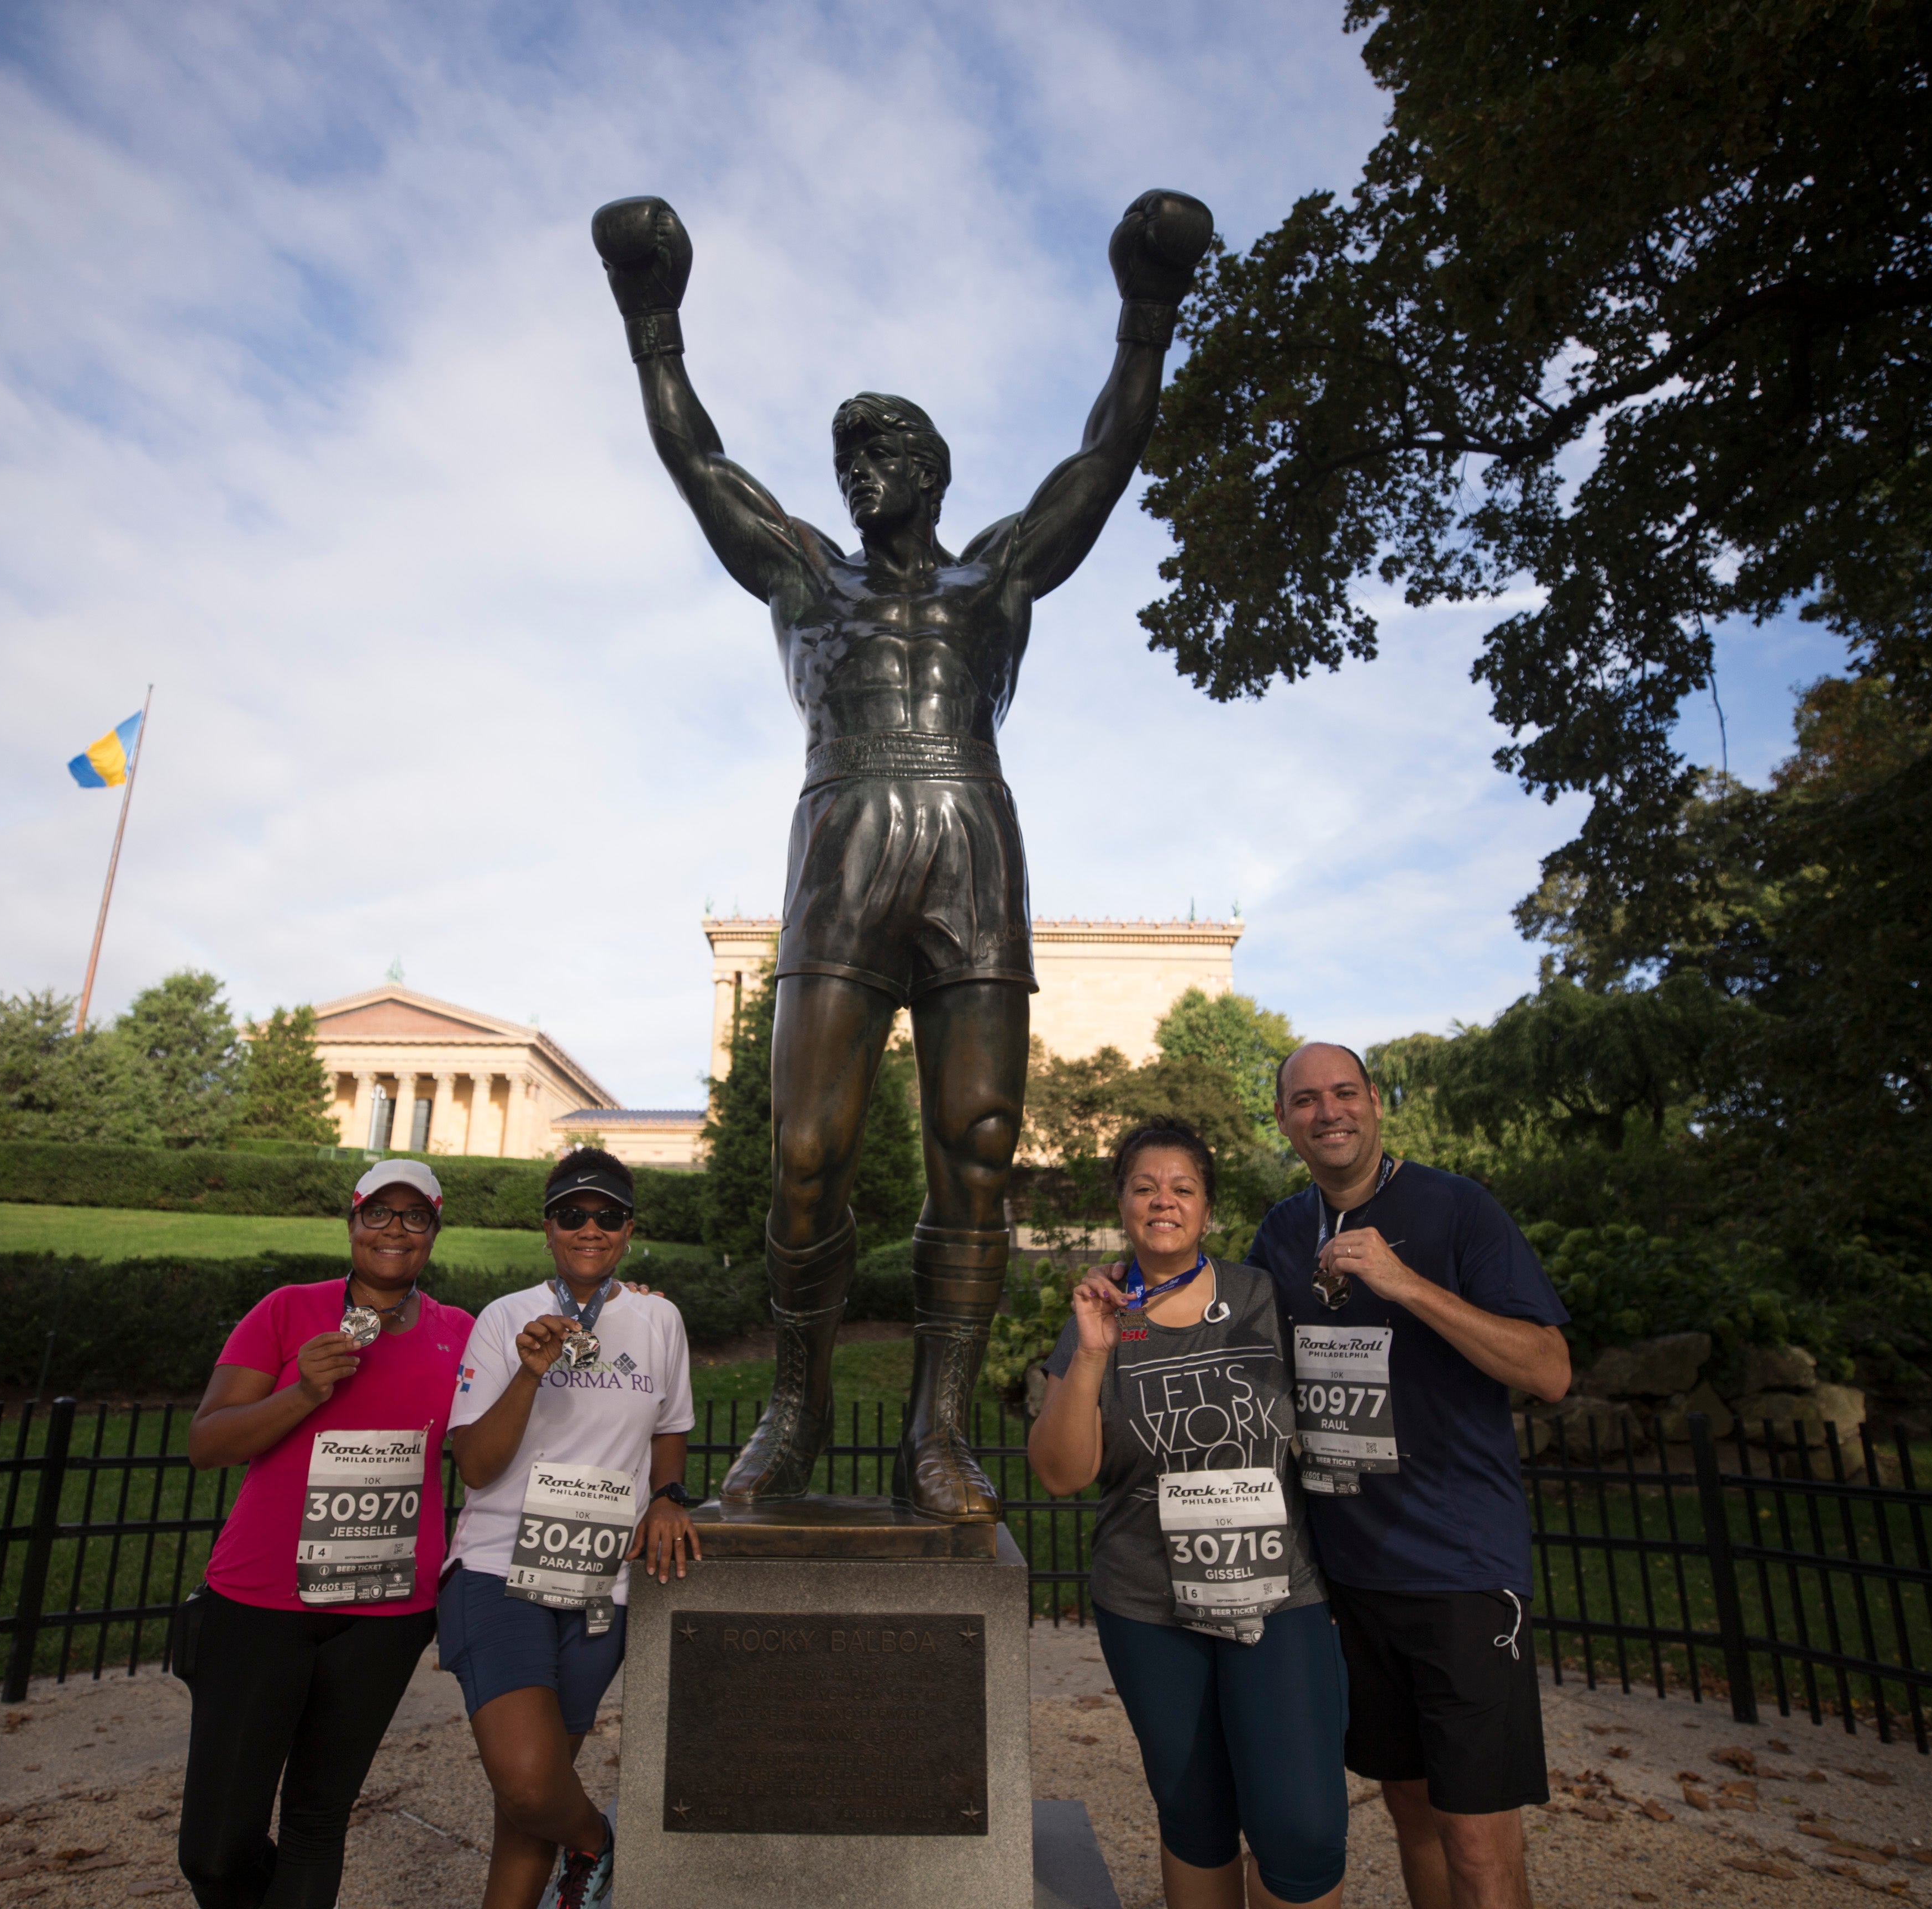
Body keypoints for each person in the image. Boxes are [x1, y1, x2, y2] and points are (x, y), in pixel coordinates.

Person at [591, 187, 1214, 1517]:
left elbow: (1104, 461)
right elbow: (698, 463)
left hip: (973, 842)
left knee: (977, 1141)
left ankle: (938, 1435)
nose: (858, 479)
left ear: (930, 473)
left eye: (880, 459)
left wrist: (1144, 312)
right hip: (846, 833)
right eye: (847, 464)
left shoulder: (999, 578)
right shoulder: (804, 576)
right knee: (806, 1144)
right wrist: (655, 322)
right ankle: (796, 1416)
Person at [1247, 1043, 1575, 1909]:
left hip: (1459, 1572)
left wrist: (1407, 1283)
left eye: (1344, 1093)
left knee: (1477, 1839)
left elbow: (1548, 1368)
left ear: (1378, 1103)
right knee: (1415, 1816)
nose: (1329, 1113)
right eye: (1306, 1100)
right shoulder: (1281, 1233)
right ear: (1285, 1120)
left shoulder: (1456, 1207)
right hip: (1349, 1575)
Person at [1028, 1120, 1347, 1909]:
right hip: (1149, 1602)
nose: (1162, 1200)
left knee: (1301, 1827)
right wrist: (1097, 1350)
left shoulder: (1262, 1297)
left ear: (1207, 1209)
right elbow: (1062, 1473)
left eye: (1182, 1187)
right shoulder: (1099, 1313)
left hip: (1279, 1595)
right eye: (1144, 1187)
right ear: (1124, 1206)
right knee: (1196, 1816)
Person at [177, 1158, 474, 1909]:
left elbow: (526, 1419)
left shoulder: (462, 1335)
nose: (395, 1231)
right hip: (261, 1599)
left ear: (434, 1233)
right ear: (352, 1223)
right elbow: (209, 1442)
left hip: (384, 1612)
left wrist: (619, 1311)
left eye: (415, 1217)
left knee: (316, 1821)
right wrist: (304, 1390)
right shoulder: (286, 1311)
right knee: (214, 1849)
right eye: (379, 1213)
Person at [441, 1147, 699, 1909]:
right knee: (527, 1779)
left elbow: (670, 1428)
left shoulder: (658, 1318)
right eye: (572, 1214)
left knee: (529, 1805)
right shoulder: (504, 1318)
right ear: (547, 1226)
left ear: (628, 1229)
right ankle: (599, 1844)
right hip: (498, 1569)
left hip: (600, 1581)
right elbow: (477, 1467)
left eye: (608, 1215)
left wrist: (668, 1496)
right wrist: (529, 1373)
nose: (591, 1228)